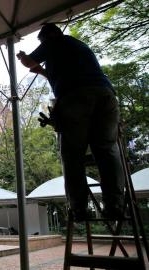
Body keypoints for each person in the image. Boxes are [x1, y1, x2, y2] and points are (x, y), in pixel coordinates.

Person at [16, 23, 125, 221]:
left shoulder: (54, 41)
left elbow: (29, 61)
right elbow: (63, 75)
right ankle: (115, 206)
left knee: (73, 155)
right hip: (106, 96)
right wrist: (41, 71)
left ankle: (79, 209)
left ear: (47, 36)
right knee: (107, 151)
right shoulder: (79, 46)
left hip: (75, 98)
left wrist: (23, 57)